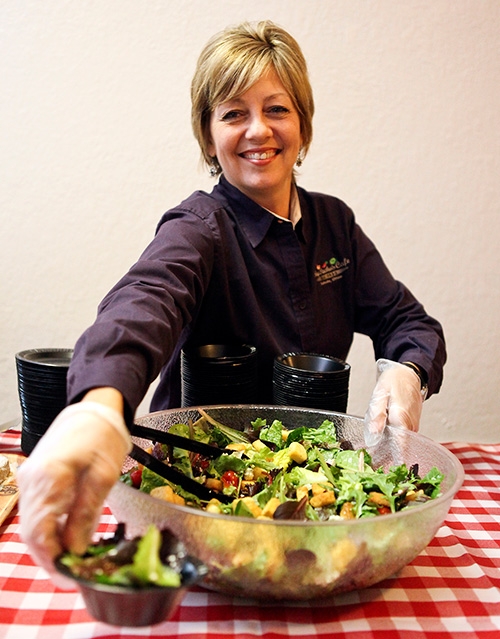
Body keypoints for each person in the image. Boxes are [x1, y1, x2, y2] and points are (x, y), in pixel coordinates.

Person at [18, 20, 446, 580]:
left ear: (303, 124)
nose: (258, 130)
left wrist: (408, 369)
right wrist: (99, 405)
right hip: (195, 491)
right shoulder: (198, 227)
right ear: (208, 136)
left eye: (277, 109)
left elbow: (407, 320)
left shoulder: (335, 224)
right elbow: (143, 302)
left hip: (311, 501)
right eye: (233, 113)